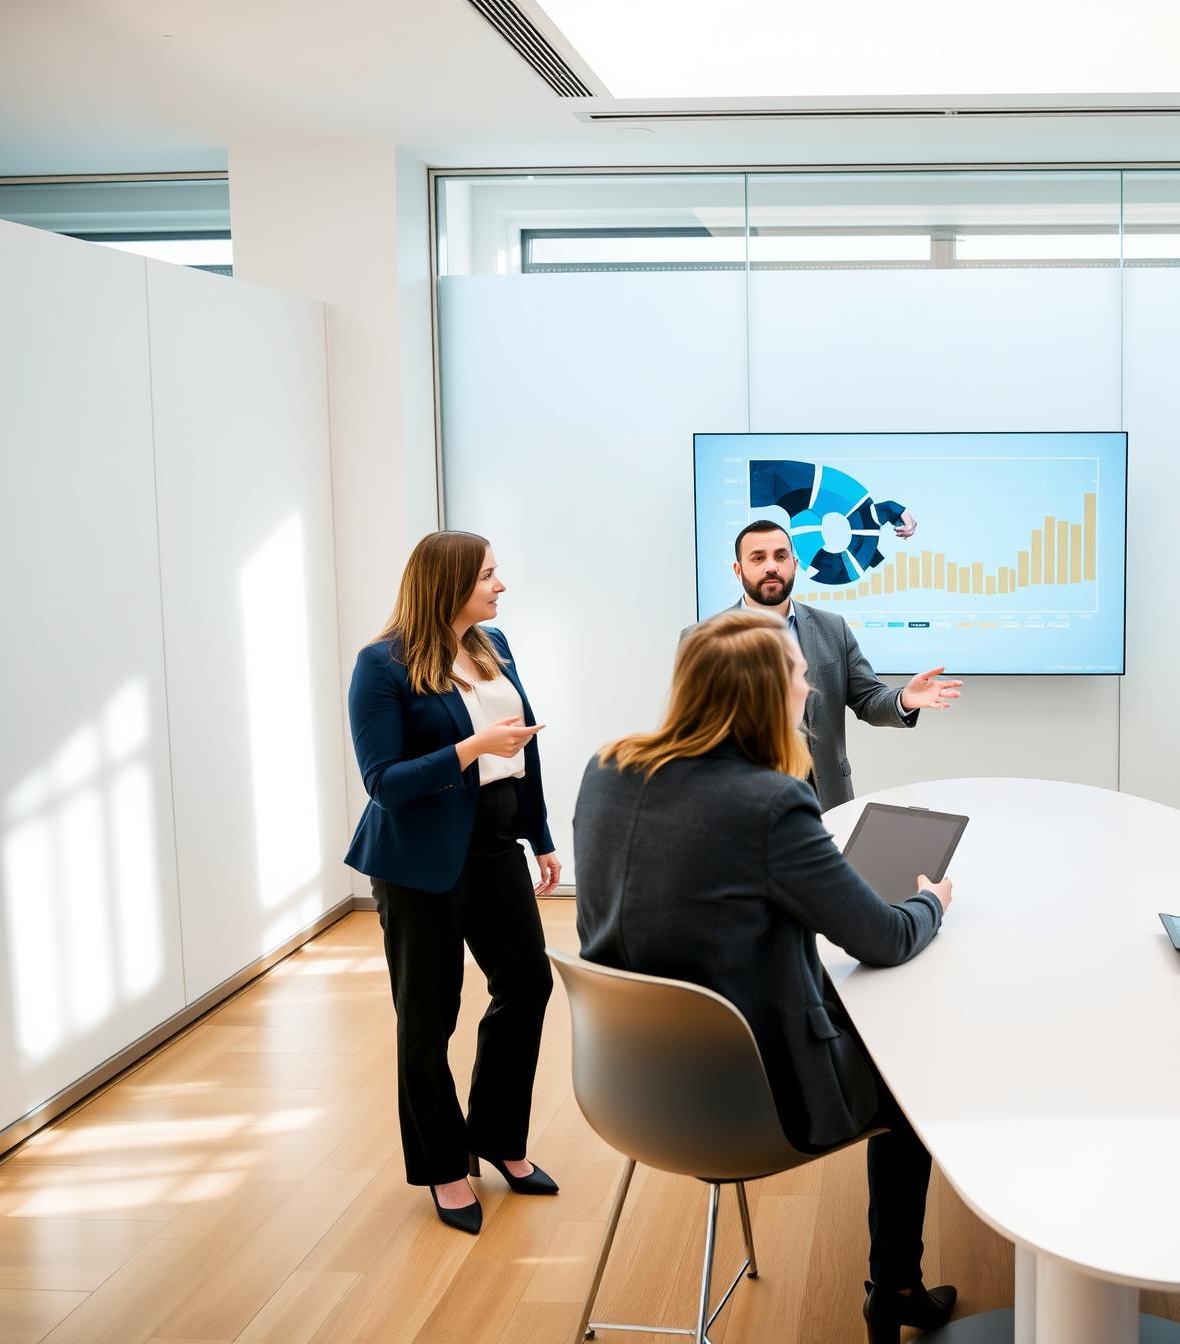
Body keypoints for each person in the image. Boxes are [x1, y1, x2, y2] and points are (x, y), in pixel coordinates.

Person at [573, 608, 959, 1342]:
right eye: (799, 674)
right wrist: (929, 903)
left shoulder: (606, 769)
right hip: (747, 1096)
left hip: (626, 1081)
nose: (811, 685)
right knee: (912, 1071)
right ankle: (895, 1287)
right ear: (762, 695)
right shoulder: (771, 803)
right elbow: (880, 939)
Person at [345, 531, 562, 1235]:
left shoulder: (493, 651)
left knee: (527, 981)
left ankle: (497, 1138)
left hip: (497, 839)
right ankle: (443, 1164)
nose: (501, 587)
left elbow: (521, 747)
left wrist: (542, 837)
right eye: (489, 577)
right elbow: (383, 784)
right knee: (429, 1015)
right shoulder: (380, 667)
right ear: (449, 585)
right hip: (417, 859)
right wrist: (469, 748)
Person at [690, 520, 962, 812]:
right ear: (738, 569)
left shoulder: (832, 628)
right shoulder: (703, 639)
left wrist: (903, 699)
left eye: (781, 557)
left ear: (794, 564)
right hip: (742, 804)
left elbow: (868, 698)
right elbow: (694, 728)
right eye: (758, 558)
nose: (772, 566)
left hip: (823, 802)